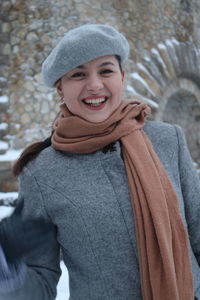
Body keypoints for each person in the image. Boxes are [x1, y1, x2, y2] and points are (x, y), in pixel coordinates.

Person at [0, 24, 199, 300]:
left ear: (122, 77)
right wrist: (9, 271)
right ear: (61, 87)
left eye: (106, 71)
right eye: (78, 74)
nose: (94, 85)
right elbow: (41, 284)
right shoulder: (42, 172)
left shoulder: (168, 140)